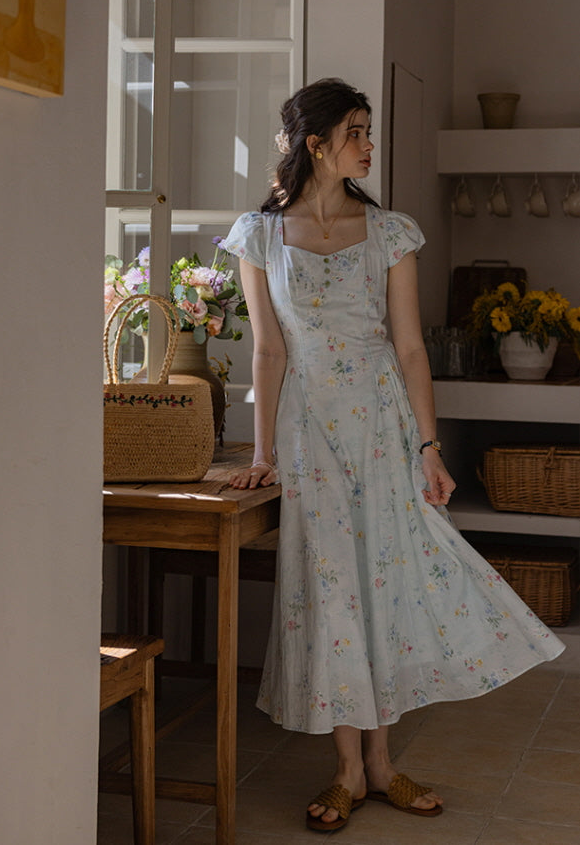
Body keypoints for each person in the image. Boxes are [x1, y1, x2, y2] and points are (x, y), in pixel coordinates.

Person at [222, 78, 564, 833]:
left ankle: (380, 766)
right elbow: (268, 352)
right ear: (316, 144)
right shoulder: (257, 234)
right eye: (356, 131)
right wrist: (264, 452)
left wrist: (429, 447)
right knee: (333, 594)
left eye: (368, 131)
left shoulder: (391, 232)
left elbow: (410, 348)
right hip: (310, 435)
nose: (369, 145)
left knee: (387, 589)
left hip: (381, 426)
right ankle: (350, 770)